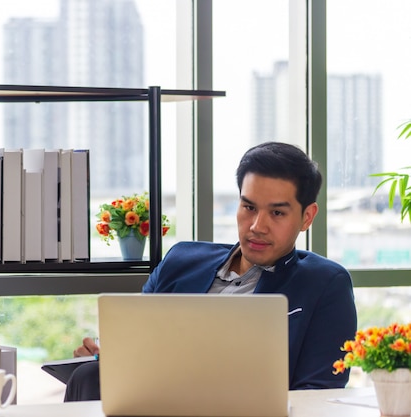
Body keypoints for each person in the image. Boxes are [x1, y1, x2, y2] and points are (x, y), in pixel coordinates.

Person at [64, 141, 357, 402]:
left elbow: (319, 393)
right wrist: (107, 354)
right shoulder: (182, 259)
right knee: (88, 375)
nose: (257, 226)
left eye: (277, 213)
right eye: (249, 207)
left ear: (307, 217)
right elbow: (139, 351)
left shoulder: (325, 283)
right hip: (156, 404)